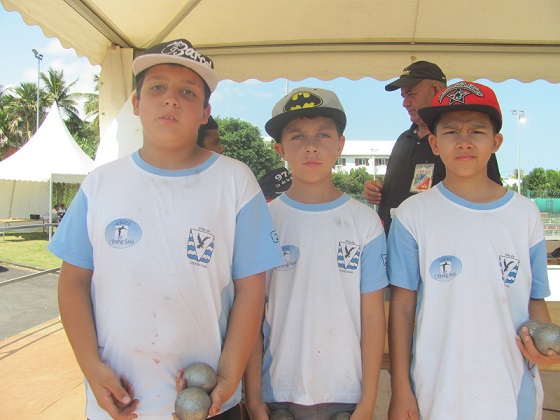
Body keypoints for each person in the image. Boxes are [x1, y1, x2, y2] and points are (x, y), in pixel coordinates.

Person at [48, 38, 284, 420]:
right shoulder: (100, 184)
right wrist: (90, 367)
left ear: (205, 111)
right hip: (119, 402)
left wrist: (227, 375)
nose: (171, 99)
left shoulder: (235, 182)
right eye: (157, 87)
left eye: (187, 92)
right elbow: (73, 281)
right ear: (137, 104)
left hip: (210, 403)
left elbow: (251, 291)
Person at [387, 81, 559, 419]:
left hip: (512, 393)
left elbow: (534, 300)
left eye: (477, 131)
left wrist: (546, 349)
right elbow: (403, 308)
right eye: (451, 132)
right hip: (436, 392)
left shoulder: (525, 214)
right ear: (434, 143)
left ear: (495, 142)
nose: (464, 141)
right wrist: (401, 390)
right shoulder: (412, 216)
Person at [244, 87, 388, 420]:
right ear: (280, 148)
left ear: (341, 144)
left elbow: (372, 316)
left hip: (347, 396)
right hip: (277, 395)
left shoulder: (365, 223)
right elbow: (250, 314)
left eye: (323, 135)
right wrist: (253, 399)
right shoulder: (264, 221)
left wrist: (368, 402)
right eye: (297, 137)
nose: (311, 146)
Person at [363, 61, 502, 235]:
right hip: (396, 246)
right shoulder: (403, 140)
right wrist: (376, 192)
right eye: (403, 96)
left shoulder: (469, 147)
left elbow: (491, 197)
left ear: (436, 90)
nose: (405, 103)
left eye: (411, 94)